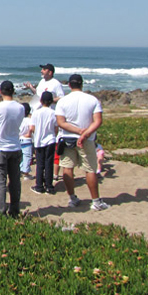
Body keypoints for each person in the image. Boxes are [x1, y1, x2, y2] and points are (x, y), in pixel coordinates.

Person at [56, 74, 109, 211]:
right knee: (90, 169)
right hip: (87, 139)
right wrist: (84, 133)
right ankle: (96, 201)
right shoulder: (92, 100)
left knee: (67, 168)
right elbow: (98, 121)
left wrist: (78, 131)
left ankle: (72, 198)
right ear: (82, 84)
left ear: (69, 85)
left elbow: (61, 123)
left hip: (67, 138)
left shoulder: (62, 101)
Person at [0, 81, 25, 216]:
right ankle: (14, 209)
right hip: (15, 146)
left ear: (1, 91)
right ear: (13, 91)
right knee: (15, 181)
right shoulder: (20, 108)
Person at [30, 91, 58, 194]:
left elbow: (32, 127)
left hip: (39, 141)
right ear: (51, 102)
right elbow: (56, 128)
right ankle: (49, 186)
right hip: (50, 139)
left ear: (41, 101)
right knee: (49, 163)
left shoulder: (36, 113)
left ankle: (39, 185)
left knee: (40, 163)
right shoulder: (53, 113)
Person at [19, 103, 34, 180]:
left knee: (20, 156)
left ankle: (20, 170)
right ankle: (26, 173)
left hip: (19, 139)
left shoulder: (18, 119)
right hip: (27, 140)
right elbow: (31, 128)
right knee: (27, 156)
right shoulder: (29, 120)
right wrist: (29, 133)